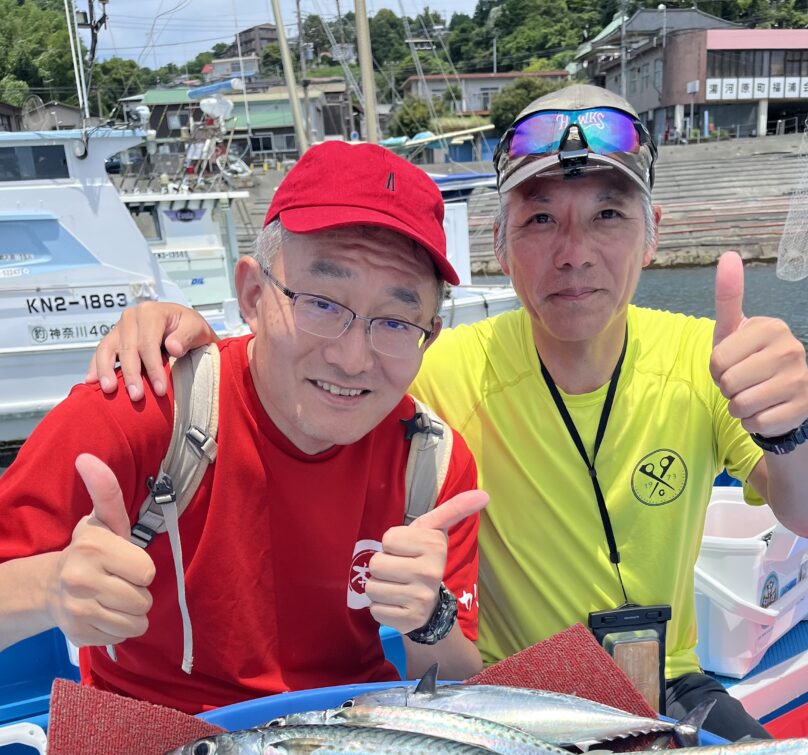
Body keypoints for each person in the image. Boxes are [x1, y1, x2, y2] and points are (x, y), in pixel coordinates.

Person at [84, 85, 808, 740]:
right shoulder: (440, 365)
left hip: (670, 687)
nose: (575, 250)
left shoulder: (706, 358)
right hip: (508, 706)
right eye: (541, 219)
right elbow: (313, 364)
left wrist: (790, 424)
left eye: (609, 216)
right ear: (500, 244)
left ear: (653, 236)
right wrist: (182, 334)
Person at [0, 142, 486, 714]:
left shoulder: (429, 463)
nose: (355, 359)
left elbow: (456, 684)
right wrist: (53, 586)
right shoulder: (141, 409)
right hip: (158, 746)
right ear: (253, 295)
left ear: (430, 331)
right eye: (322, 303)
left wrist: (429, 618)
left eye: (396, 321)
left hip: (351, 737)